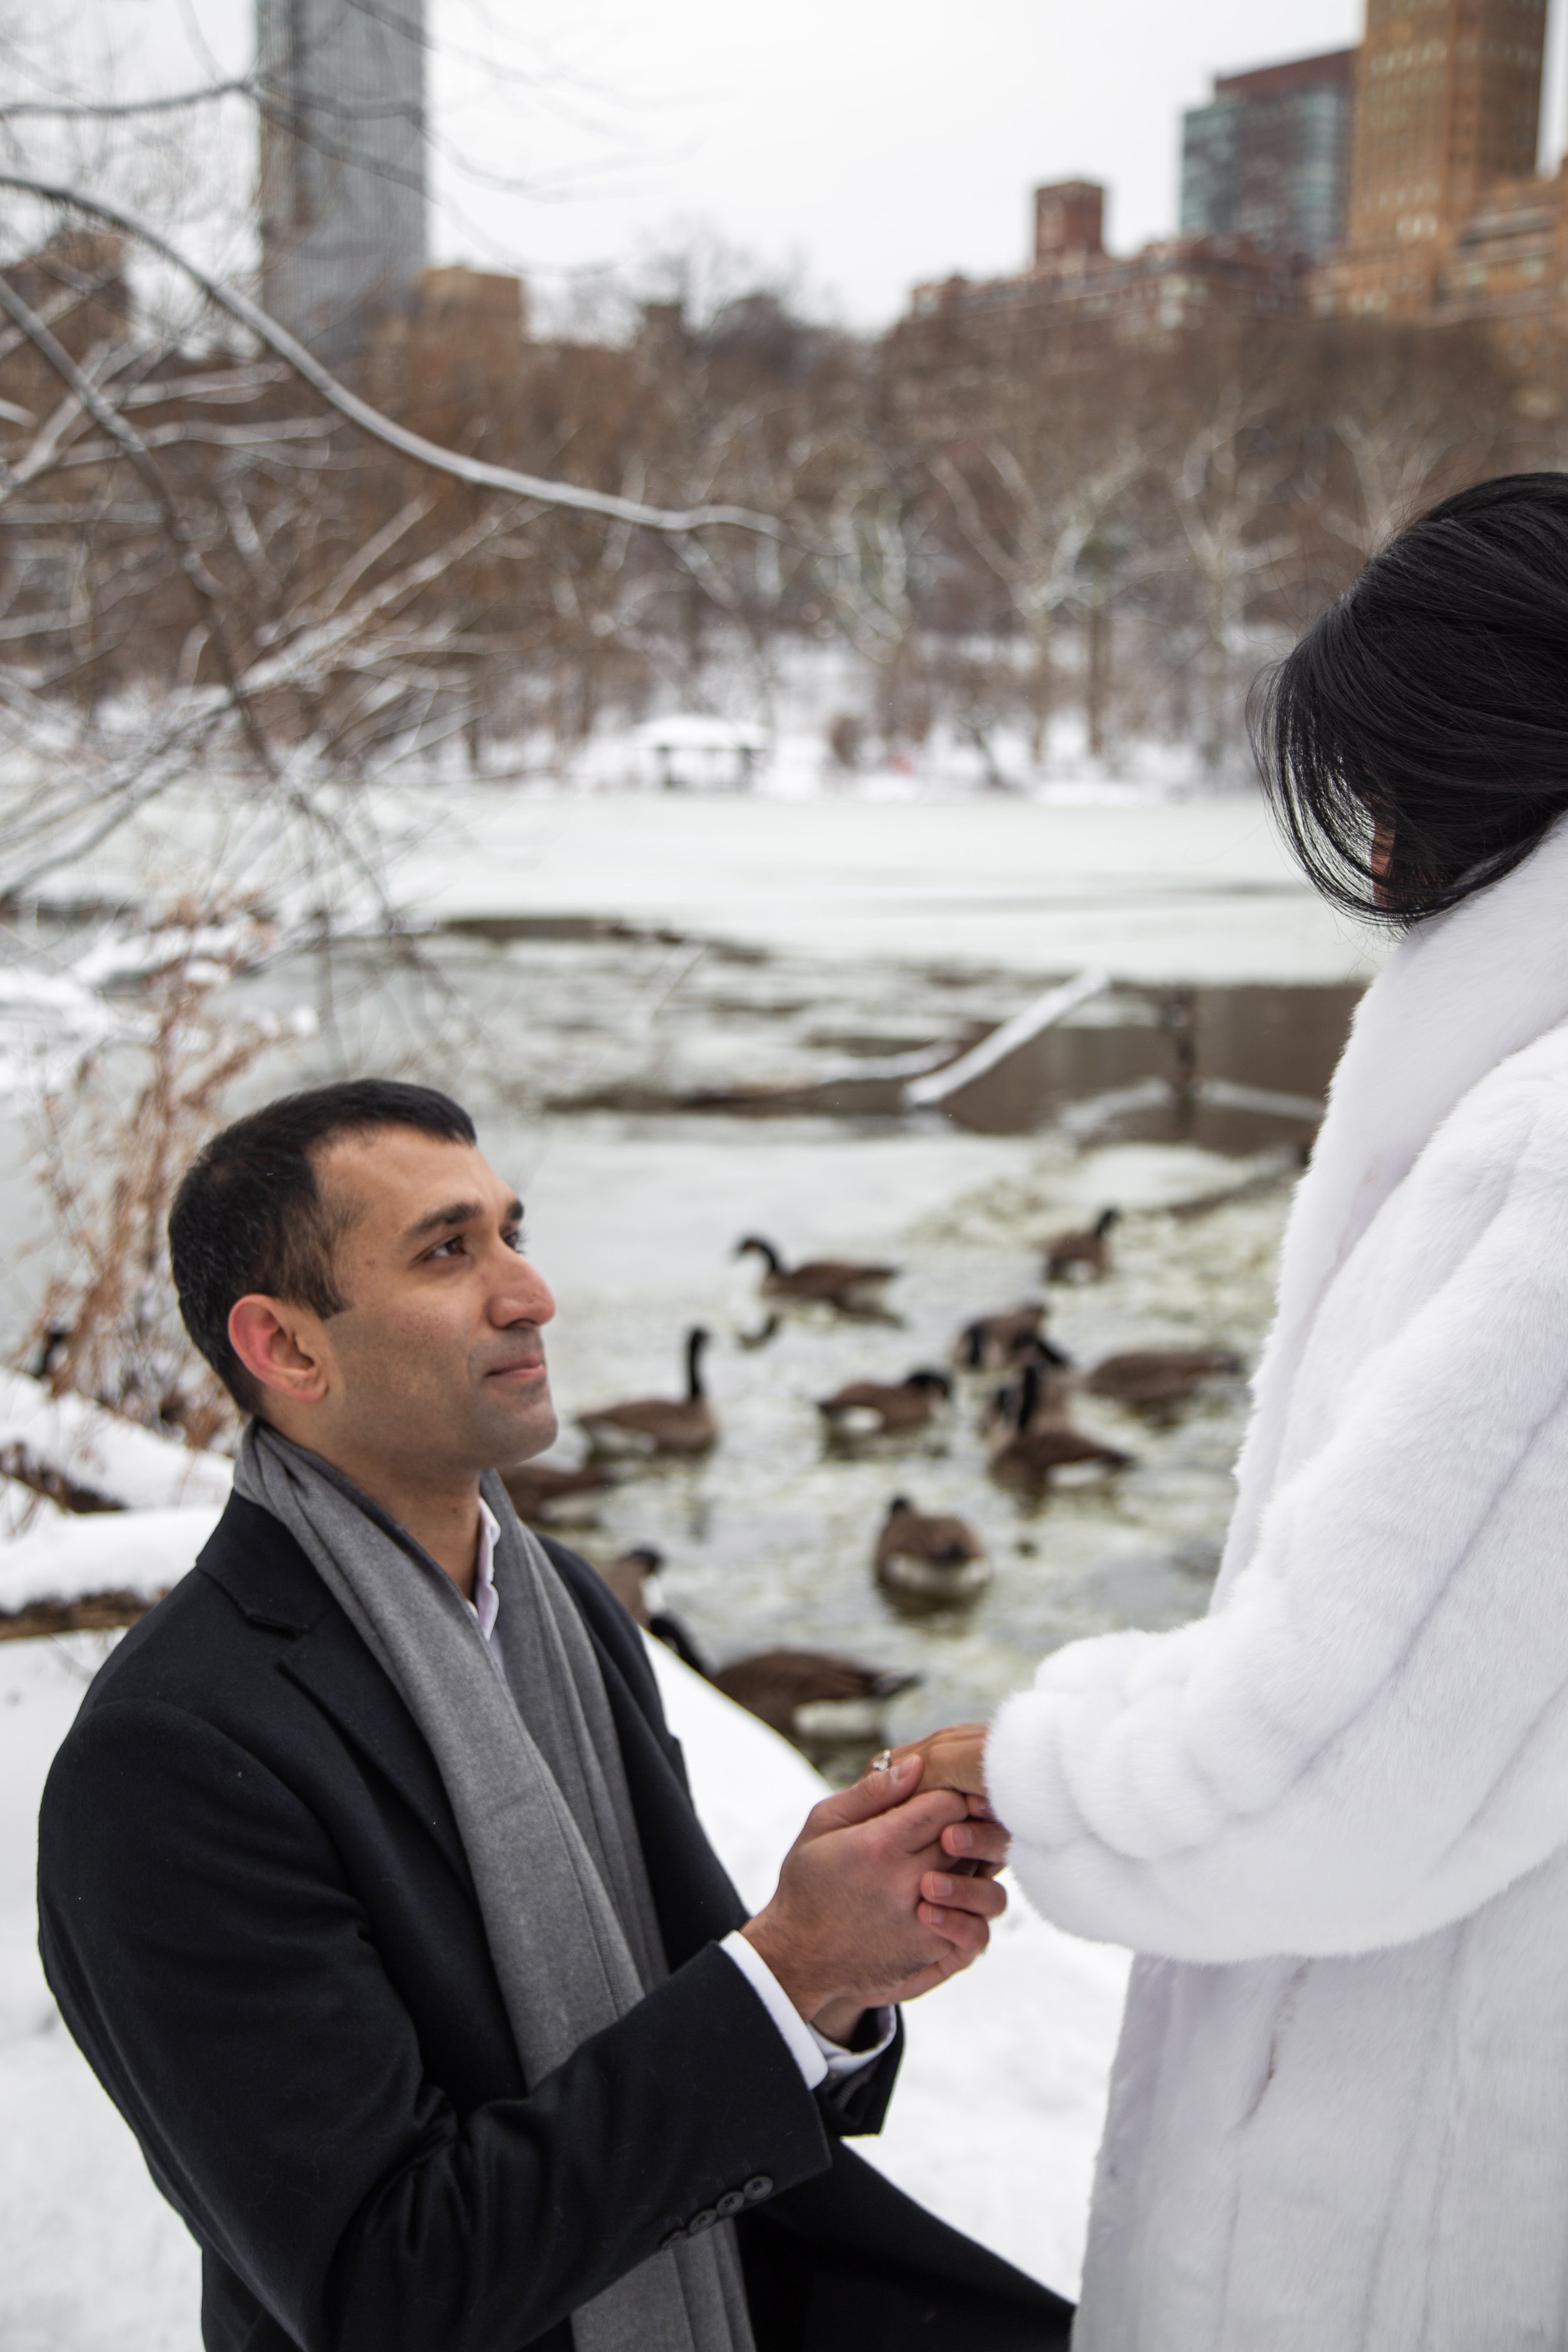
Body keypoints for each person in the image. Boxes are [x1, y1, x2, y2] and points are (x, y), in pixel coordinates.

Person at [37, 1079, 1071, 2352]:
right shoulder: (170, 1760)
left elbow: (689, 2021)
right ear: (289, 1348)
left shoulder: (565, 1613)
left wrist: (841, 1971)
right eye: (448, 1250)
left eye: (510, 1233)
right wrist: (789, 1970)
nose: (531, 1294)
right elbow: (386, 2292)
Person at [899, 471, 1568, 2348]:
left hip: (1419, 2222)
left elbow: (1342, 1757)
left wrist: (1034, 1767)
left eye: (1378, 793)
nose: (1367, 855)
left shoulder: (1549, 1147)